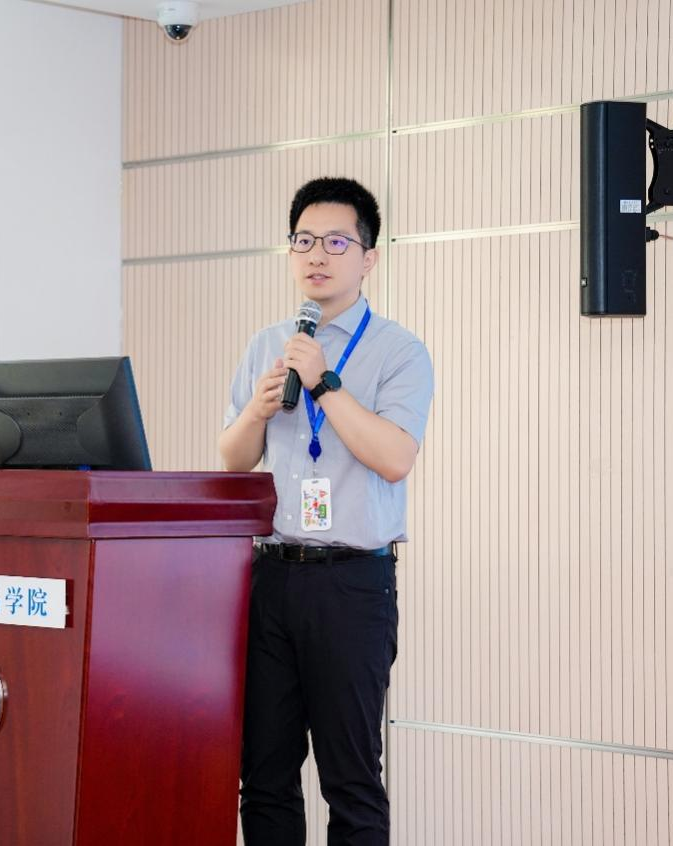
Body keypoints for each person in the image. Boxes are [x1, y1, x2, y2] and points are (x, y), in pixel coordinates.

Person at [219, 176, 434, 845]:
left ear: (368, 258)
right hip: (271, 578)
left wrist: (323, 382)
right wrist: (256, 412)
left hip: (351, 584)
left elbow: (393, 457)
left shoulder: (398, 350)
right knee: (264, 776)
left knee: (350, 780)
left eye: (336, 242)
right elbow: (232, 460)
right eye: (303, 240)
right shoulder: (267, 344)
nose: (317, 254)